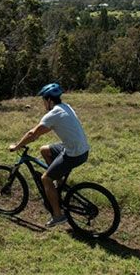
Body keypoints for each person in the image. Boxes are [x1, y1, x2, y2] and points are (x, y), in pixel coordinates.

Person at [9, 83, 90, 228]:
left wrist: (17, 146)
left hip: (74, 153)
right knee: (44, 150)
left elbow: (33, 134)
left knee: (45, 178)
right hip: (81, 149)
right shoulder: (66, 106)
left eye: (43, 100)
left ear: (49, 100)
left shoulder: (53, 114)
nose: (43, 104)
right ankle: (59, 184)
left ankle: (58, 215)